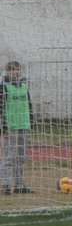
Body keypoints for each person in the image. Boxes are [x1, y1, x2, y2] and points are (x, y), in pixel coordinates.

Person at [0, 61, 35, 195]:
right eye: (14, 70)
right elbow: (1, 109)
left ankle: (19, 185)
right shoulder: (4, 87)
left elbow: (29, 105)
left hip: (23, 125)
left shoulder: (24, 86)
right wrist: (3, 127)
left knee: (21, 157)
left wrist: (32, 124)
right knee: (9, 157)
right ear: (8, 72)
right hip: (11, 126)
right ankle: (6, 185)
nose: (17, 72)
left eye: (18, 70)